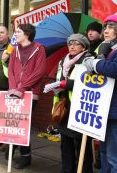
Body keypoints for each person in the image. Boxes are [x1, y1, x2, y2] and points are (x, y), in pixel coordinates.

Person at [46, 33, 94, 173]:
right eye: (70, 43)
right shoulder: (63, 60)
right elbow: (58, 77)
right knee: (65, 144)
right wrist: (53, 84)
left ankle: (84, 170)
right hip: (64, 107)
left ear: (84, 46)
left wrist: (64, 83)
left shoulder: (89, 59)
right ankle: (67, 170)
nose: (72, 46)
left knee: (81, 145)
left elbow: (87, 83)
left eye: (76, 43)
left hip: (80, 108)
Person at [7, 23, 46, 169]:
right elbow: (10, 70)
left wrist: (21, 88)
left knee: (23, 125)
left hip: (30, 93)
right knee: (13, 122)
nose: (15, 34)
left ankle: (25, 156)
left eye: (18, 32)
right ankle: (12, 146)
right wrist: (12, 88)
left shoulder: (39, 49)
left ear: (27, 34)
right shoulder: (14, 49)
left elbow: (39, 71)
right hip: (14, 92)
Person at [83, 14, 117, 173]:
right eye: (106, 27)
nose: (106, 31)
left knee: (113, 156)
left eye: (111, 27)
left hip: (114, 110)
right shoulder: (107, 47)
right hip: (104, 108)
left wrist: (96, 63)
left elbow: (114, 69)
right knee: (104, 153)